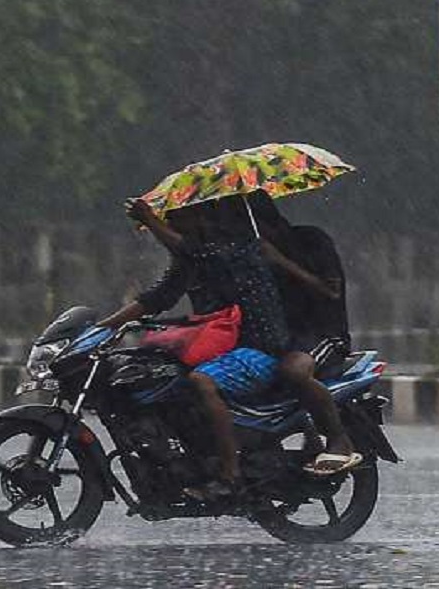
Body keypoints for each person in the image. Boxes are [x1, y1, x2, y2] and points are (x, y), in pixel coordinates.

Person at [99, 197, 293, 500]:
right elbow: (158, 297)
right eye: (170, 221)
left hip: (259, 348)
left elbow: (195, 251)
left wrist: (151, 221)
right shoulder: (193, 261)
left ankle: (230, 476)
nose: (172, 227)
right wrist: (103, 328)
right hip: (221, 348)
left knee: (202, 381)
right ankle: (193, 457)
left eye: (177, 220)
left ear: (201, 220)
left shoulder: (236, 249)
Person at [246, 191, 358, 476]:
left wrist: (280, 261)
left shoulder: (312, 240)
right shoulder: (249, 255)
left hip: (322, 334)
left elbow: (330, 291)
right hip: (279, 337)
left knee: (294, 371)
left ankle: (338, 439)